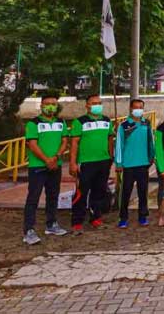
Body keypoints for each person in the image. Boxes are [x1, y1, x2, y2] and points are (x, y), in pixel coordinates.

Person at [22, 92, 69, 244]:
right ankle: (29, 230)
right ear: (41, 105)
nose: (50, 106)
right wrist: (46, 160)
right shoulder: (33, 124)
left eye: (53, 104)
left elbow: (64, 142)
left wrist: (56, 158)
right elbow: (32, 144)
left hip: (56, 165)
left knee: (53, 195)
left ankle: (51, 224)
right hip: (38, 166)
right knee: (33, 198)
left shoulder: (61, 122)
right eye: (47, 103)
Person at [69, 94, 115, 233]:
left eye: (99, 103)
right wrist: (73, 163)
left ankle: (96, 217)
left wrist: (110, 157)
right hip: (86, 163)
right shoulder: (80, 122)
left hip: (103, 161)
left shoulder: (107, 121)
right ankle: (77, 221)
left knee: (99, 191)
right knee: (81, 192)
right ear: (87, 105)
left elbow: (110, 140)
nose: (96, 105)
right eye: (93, 103)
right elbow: (74, 143)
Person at [115, 99, 155, 228]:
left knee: (143, 192)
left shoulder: (146, 124)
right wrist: (119, 162)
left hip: (143, 163)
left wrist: (151, 156)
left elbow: (151, 141)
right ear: (131, 109)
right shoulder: (124, 125)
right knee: (125, 192)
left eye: (140, 107)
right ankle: (123, 217)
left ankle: (143, 216)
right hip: (128, 165)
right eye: (135, 107)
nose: (138, 110)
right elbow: (119, 145)